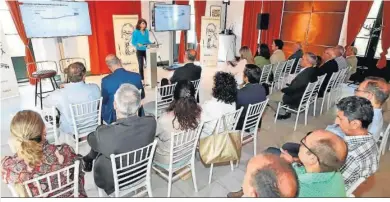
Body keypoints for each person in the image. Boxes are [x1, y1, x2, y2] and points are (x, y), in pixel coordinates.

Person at [80, 84, 156, 195]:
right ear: (140, 104)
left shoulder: (105, 133)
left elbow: (91, 138)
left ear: (115, 105)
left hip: (115, 180)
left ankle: (88, 159)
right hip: (141, 171)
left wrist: (100, 129)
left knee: (100, 150)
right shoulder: (151, 122)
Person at [2, 110, 86, 197]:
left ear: (15, 138)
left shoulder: (10, 167)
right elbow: (79, 177)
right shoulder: (65, 151)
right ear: (44, 130)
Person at [43, 62, 100, 135]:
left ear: (68, 77)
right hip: (92, 126)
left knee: (58, 106)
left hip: (71, 129)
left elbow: (45, 103)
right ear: (84, 76)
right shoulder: (95, 88)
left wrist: (63, 88)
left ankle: (57, 121)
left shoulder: (59, 93)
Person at [335, 96, 379, 190]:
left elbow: (333, 184)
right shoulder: (370, 139)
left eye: (340, 119)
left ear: (355, 124)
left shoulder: (350, 155)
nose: (336, 122)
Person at [154, 80, 202, 165]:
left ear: (174, 95)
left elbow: (154, 134)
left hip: (169, 159)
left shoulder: (164, 119)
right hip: (188, 154)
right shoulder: (198, 113)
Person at [269, 52, 318, 120]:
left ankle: (282, 113)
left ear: (307, 62)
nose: (300, 59)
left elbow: (292, 89)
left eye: (303, 59)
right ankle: (284, 108)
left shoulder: (304, 75)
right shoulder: (313, 71)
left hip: (295, 97)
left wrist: (282, 90)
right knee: (278, 90)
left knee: (268, 98)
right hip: (302, 95)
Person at [101, 54, 145, 124]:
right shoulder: (136, 76)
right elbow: (142, 96)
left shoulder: (106, 80)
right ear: (120, 61)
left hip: (114, 115)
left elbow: (104, 100)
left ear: (108, 67)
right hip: (135, 110)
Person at [200, 72, 237, 138]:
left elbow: (201, 120)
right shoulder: (233, 103)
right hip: (226, 133)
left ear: (217, 88)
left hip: (209, 137)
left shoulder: (210, 104)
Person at [236, 64, 267, 130]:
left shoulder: (240, 93)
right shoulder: (262, 88)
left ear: (246, 77)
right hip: (255, 121)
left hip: (241, 124)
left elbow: (235, 109)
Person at [132, 18, 152, 84]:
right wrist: (137, 44)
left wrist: (152, 43)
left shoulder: (146, 31)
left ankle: (151, 79)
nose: (144, 24)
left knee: (149, 64)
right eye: (143, 23)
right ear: (139, 24)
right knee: (141, 66)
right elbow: (133, 42)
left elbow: (147, 40)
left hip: (147, 51)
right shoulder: (135, 32)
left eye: (145, 23)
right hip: (139, 51)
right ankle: (142, 80)